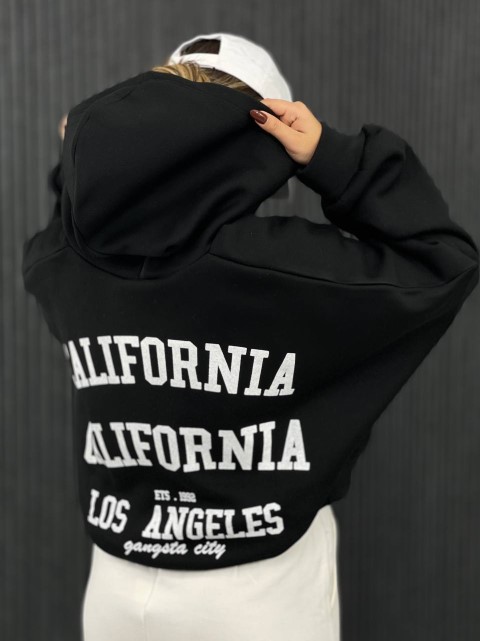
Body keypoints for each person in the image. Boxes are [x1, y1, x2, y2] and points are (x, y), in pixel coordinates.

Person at [22, 32, 478, 641]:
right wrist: (332, 157)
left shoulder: (63, 264)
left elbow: (76, 220)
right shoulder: (291, 270)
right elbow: (442, 260)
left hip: (116, 584)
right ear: (271, 150)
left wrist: (82, 163)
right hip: (260, 591)